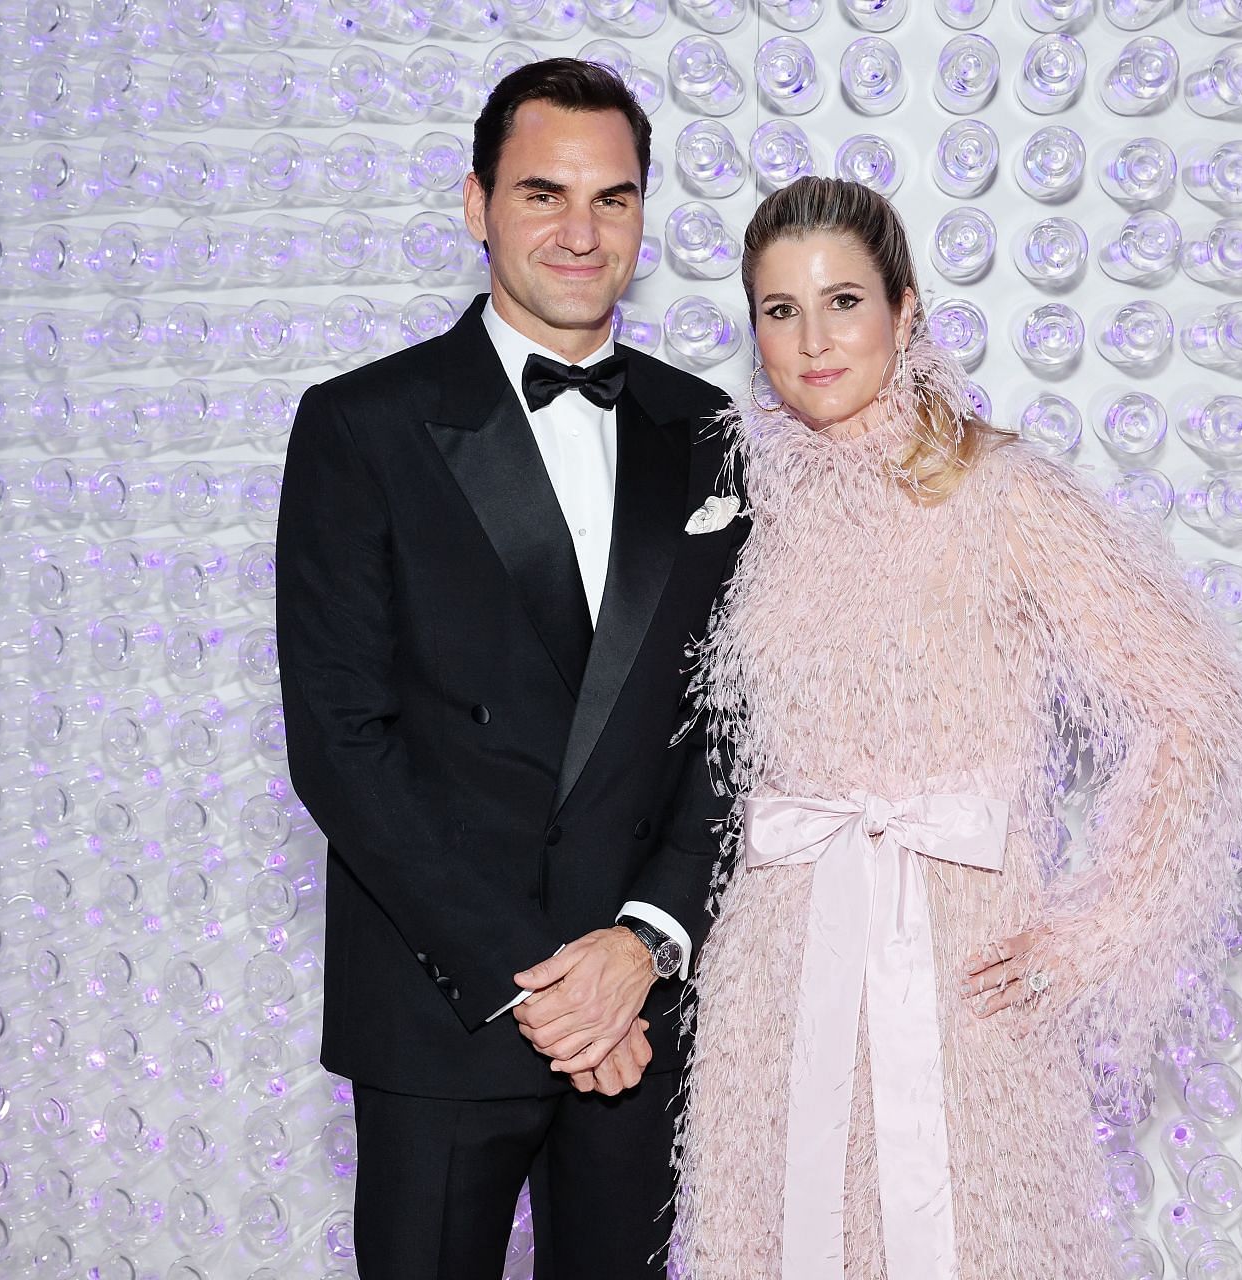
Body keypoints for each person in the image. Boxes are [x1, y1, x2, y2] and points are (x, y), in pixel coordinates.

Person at [669, 176, 1242, 1277]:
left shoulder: (1008, 495)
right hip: (775, 976)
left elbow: (1203, 705)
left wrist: (1096, 932)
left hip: (960, 973)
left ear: (907, 313)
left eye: (843, 301)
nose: (812, 340)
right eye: (779, 309)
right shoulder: (735, 502)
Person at [277, 58, 744, 1280]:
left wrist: (640, 944)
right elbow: (340, 739)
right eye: (543, 194)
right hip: (447, 1010)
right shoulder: (360, 425)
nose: (581, 233)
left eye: (614, 197)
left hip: (637, 1020)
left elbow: (735, 730)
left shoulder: (714, 437)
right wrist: (533, 983)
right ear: (477, 205)